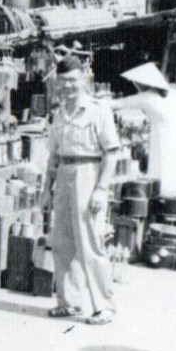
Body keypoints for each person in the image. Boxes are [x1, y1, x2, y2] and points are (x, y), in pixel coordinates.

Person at [42, 55, 120, 324]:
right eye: (62, 82)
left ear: (84, 79)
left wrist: (100, 189)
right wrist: (46, 191)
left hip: (89, 173)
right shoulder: (58, 113)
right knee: (62, 243)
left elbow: (111, 153)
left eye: (73, 81)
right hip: (63, 174)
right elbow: (53, 157)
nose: (68, 87)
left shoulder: (98, 110)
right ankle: (69, 302)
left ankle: (104, 306)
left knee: (90, 243)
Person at [111, 63, 176, 200]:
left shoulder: (147, 97)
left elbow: (117, 104)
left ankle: (165, 203)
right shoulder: (172, 94)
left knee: (164, 175)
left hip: (165, 140)